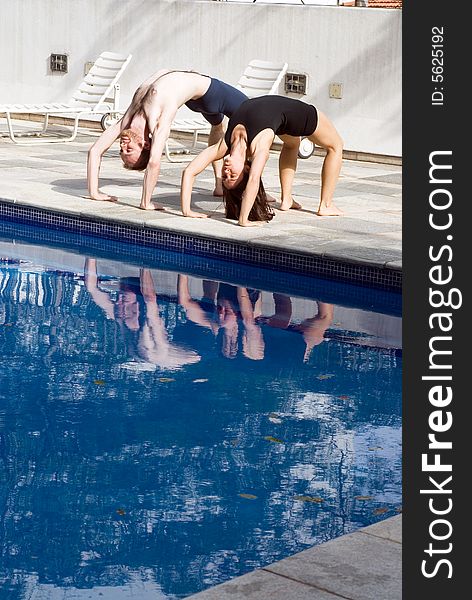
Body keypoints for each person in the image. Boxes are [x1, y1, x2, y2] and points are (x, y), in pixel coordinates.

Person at [86, 70, 248, 210]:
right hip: (210, 93)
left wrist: (94, 192)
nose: (123, 145)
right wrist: (146, 202)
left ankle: (219, 186)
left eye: (122, 150)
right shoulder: (158, 122)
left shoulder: (127, 121)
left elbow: (95, 150)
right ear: (146, 144)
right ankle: (249, 187)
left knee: (218, 125)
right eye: (129, 150)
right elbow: (154, 162)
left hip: (196, 96)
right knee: (253, 119)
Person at [180, 95, 344, 225]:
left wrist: (186, 210)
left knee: (292, 144)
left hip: (279, 115)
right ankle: (326, 205)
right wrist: (243, 219)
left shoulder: (224, 145)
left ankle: (287, 199)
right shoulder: (260, 146)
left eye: (224, 177)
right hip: (297, 113)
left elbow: (189, 171)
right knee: (336, 145)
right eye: (232, 176)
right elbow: (253, 179)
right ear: (245, 169)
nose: (226, 172)